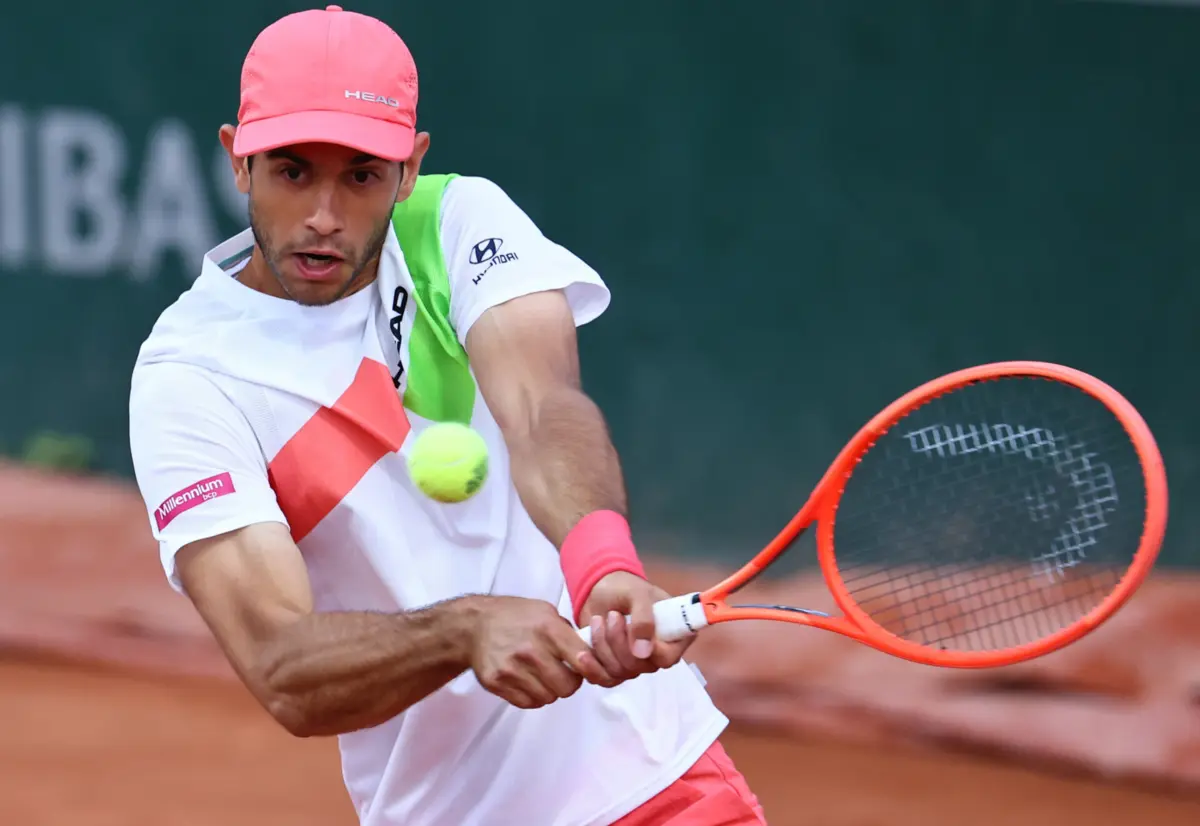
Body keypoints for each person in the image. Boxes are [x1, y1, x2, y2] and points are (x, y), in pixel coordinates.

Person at [128, 5, 765, 825]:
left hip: (652, 782)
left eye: (361, 175)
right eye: (292, 171)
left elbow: (543, 410)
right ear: (237, 159)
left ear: (410, 166)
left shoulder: (456, 223)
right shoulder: (190, 379)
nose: (324, 214)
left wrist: (601, 564)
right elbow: (281, 666)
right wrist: (461, 632)